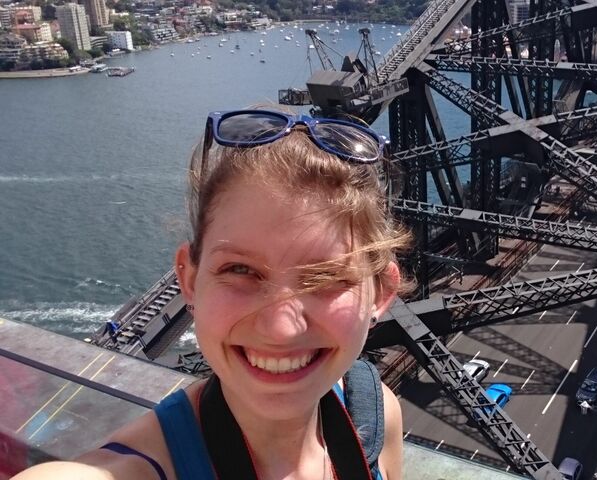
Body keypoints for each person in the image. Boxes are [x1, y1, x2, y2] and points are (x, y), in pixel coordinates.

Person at [13, 108, 412, 480]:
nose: (281, 328)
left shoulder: (374, 414)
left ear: (381, 292)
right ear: (188, 280)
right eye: (240, 270)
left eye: (326, 277)